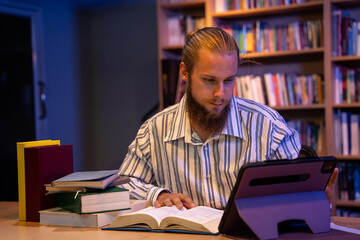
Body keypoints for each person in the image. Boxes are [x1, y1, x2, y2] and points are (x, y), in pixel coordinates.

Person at [118, 27, 338, 210]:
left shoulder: (269, 127)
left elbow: (303, 200)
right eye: (209, 80)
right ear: (184, 72)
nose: (220, 94)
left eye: (229, 80)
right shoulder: (154, 130)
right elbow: (122, 186)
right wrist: (158, 195)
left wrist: (319, 201)